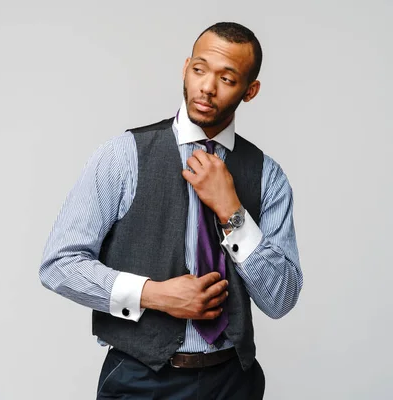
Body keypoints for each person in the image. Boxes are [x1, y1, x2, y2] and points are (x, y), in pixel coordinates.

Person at [39, 21, 303, 400]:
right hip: (139, 380)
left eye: (227, 79)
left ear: (251, 90)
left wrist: (232, 212)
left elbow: (280, 298)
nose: (207, 87)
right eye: (199, 70)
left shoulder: (267, 176)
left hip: (233, 383)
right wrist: (153, 294)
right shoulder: (124, 155)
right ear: (185, 68)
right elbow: (59, 265)